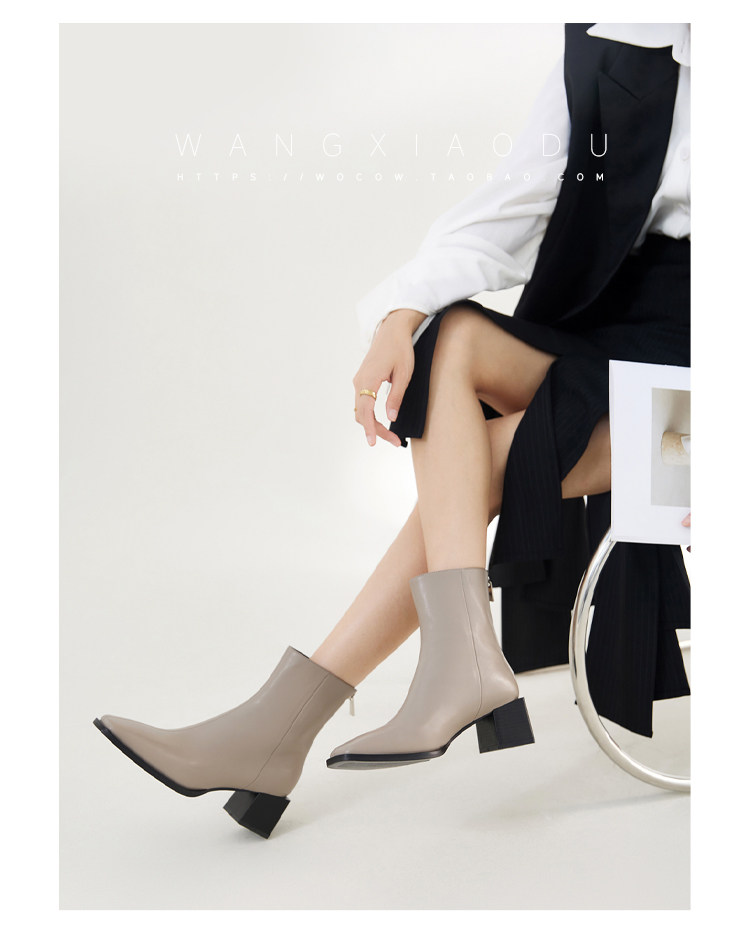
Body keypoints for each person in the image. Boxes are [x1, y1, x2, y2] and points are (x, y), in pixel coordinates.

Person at [94, 22, 691, 839]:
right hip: (618, 322)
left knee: (475, 467)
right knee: (447, 336)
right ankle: (452, 662)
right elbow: (518, 198)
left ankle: (281, 726)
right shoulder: (618, 31)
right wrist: (398, 316)